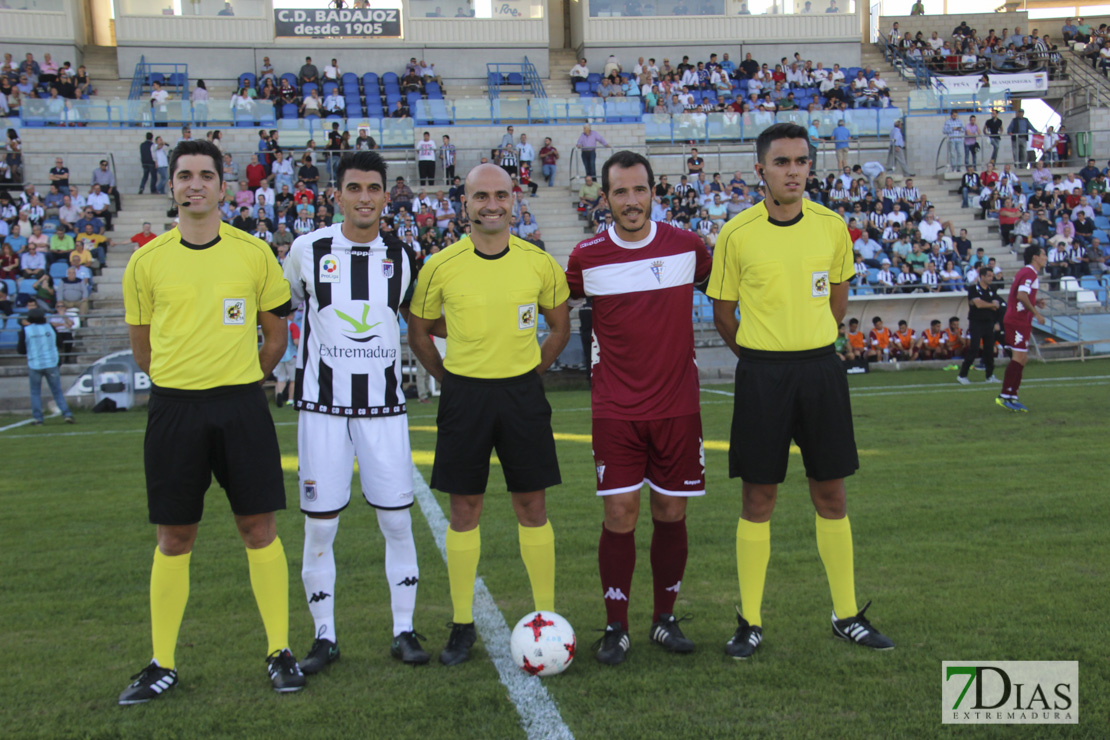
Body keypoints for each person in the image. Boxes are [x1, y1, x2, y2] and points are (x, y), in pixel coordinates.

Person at [118, 140, 304, 705]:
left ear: (224, 188)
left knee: (259, 529)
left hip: (241, 407)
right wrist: (185, 381)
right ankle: (161, 663)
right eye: (184, 176)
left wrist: (246, 378)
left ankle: (279, 651)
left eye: (205, 175)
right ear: (171, 186)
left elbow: (276, 336)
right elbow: (144, 351)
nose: (194, 184)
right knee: (175, 536)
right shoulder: (146, 261)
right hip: (175, 410)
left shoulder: (254, 254)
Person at [706, 123, 893, 660]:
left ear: (811, 166)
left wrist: (806, 346)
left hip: (820, 372)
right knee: (758, 497)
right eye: (782, 161)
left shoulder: (832, 227)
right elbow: (724, 314)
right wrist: (762, 356)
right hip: (763, 375)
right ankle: (750, 621)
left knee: (830, 494)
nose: (794, 170)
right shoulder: (737, 234)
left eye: (802, 161)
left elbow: (837, 303)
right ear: (760, 169)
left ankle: (847, 614)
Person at [407, 163, 570, 667]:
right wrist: (450, 377)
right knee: (464, 511)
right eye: (481, 196)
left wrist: (532, 371)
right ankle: (461, 625)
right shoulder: (440, 265)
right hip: (465, 398)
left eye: (500, 194)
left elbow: (559, 327)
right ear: (465, 203)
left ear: (514, 199)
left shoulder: (538, 261)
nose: (492, 204)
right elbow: (419, 331)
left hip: (522, 397)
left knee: (532, 508)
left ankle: (545, 618)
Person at [282, 151, 430, 672]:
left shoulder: (404, 253)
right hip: (321, 409)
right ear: (336, 194)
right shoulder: (307, 249)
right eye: (353, 187)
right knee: (320, 529)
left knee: (396, 523)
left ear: (387, 195)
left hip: (384, 409)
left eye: (373, 187)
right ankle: (324, 637)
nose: (364, 197)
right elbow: (291, 307)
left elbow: (411, 320)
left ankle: (404, 630)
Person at [565, 151, 712, 665]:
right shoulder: (585, 257)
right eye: (620, 192)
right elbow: (553, 306)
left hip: (677, 407)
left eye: (639, 190)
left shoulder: (688, 248)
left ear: (654, 191)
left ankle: (664, 619)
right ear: (604, 198)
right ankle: (616, 626)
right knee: (619, 512)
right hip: (615, 409)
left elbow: (733, 288)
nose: (631, 201)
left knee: (671, 510)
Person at [997, 245, 1048, 412]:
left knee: (1022, 358)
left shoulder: (1028, 273)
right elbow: (1021, 295)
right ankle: (1005, 395)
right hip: (1017, 320)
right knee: (1018, 357)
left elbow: (1023, 296)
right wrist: (1037, 313)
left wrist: (1036, 301)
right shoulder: (1029, 273)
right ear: (1035, 257)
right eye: (1043, 254)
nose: (1045, 257)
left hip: (1021, 321)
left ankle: (1012, 395)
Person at [18, 307, 75, 425]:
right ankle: (67, 414)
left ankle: (38, 418)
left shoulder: (26, 330)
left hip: (35, 364)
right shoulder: (51, 328)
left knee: (35, 392)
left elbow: (21, 350)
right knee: (57, 391)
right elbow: (60, 343)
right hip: (51, 362)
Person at [957, 267, 1002, 385]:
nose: (991, 278)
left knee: (989, 350)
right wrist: (990, 304)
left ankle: (990, 375)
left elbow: (996, 305)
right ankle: (962, 375)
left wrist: (991, 308)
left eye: (992, 276)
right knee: (974, 348)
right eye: (989, 276)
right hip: (976, 322)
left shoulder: (992, 289)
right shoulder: (973, 288)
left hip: (989, 322)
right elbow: (978, 304)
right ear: (982, 276)